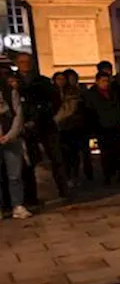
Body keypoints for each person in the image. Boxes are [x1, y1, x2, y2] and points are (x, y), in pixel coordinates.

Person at [14, 53, 66, 205]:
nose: (25, 64)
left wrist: (43, 116)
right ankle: (31, 196)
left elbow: (55, 101)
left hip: (45, 124)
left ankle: (62, 190)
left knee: (56, 158)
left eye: (28, 62)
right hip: (24, 127)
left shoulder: (42, 81)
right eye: (22, 62)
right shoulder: (13, 82)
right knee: (28, 163)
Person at [82, 70, 120, 184]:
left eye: (107, 81)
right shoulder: (91, 95)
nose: (106, 83)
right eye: (103, 81)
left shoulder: (114, 92)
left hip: (116, 126)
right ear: (97, 81)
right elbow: (90, 112)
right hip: (102, 128)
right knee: (105, 154)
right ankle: (108, 175)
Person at [1, 73, 30, 219]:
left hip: (11, 138)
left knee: (15, 175)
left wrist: (9, 135)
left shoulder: (10, 93)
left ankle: (17, 205)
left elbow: (18, 115)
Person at [53, 70, 89, 186]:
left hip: (72, 127)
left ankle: (74, 176)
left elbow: (71, 109)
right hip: (58, 129)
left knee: (73, 154)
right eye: (58, 79)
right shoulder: (51, 93)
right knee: (62, 155)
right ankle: (66, 177)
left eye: (63, 79)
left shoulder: (73, 93)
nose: (61, 81)